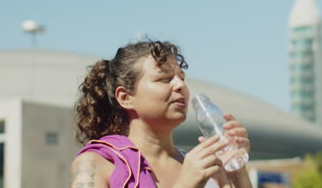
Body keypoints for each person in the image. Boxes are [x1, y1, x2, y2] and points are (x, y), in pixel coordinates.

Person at [70, 40, 252, 188]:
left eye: (182, 78)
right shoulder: (96, 163)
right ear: (125, 97)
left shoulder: (204, 166)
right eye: (164, 79)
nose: (180, 85)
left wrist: (237, 173)